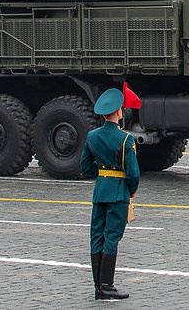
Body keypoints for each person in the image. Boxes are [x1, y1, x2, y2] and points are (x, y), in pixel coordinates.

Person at [81, 88, 140, 301]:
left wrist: (102, 174)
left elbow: (85, 166)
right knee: (112, 237)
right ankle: (106, 285)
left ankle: (98, 286)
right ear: (118, 112)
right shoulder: (125, 139)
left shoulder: (92, 136)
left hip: (100, 191)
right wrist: (131, 190)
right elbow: (133, 173)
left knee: (96, 236)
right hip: (118, 193)